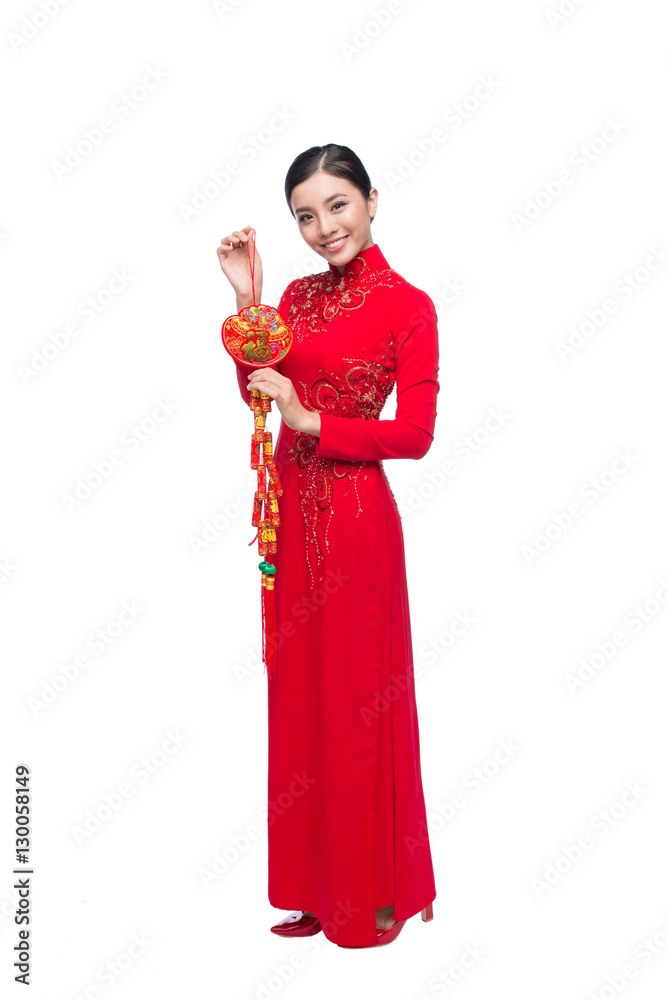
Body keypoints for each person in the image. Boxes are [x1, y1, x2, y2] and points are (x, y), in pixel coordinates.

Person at [216, 144, 438, 949]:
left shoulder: (408, 306)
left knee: (354, 703)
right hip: (291, 518)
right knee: (300, 697)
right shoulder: (295, 298)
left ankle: (367, 898)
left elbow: (414, 433)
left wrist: (313, 422)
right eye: (305, 215)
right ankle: (314, 890)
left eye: (336, 206)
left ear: (372, 201)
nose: (322, 228)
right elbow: (257, 384)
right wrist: (248, 298)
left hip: (353, 524)